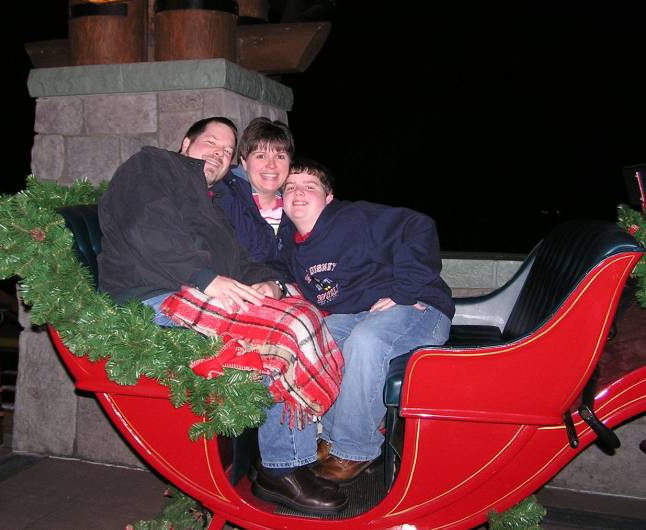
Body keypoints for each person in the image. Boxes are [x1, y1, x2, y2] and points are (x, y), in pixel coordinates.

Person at [97, 118, 347, 514]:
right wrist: (207, 279)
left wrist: (269, 283)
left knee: (301, 310)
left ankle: (293, 461)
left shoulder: (206, 203)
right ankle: (280, 471)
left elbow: (237, 259)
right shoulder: (152, 166)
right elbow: (144, 226)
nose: (218, 152)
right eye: (211, 142)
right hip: (149, 297)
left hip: (187, 289)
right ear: (185, 143)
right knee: (281, 330)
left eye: (227, 150)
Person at [282, 158, 455, 484]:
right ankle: (331, 438)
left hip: (420, 309)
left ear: (328, 197)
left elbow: (418, 225)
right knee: (325, 336)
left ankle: (356, 449)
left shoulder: (354, 218)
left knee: (367, 340)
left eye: (310, 186)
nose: (299, 192)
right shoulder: (294, 247)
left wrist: (406, 290)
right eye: (291, 187)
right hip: (362, 314)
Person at [213, 117, 296, 280]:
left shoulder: (297, 207)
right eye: (260, 156)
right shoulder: (224, 197)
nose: (271, 165)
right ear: (244, 161)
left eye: (280, 157)